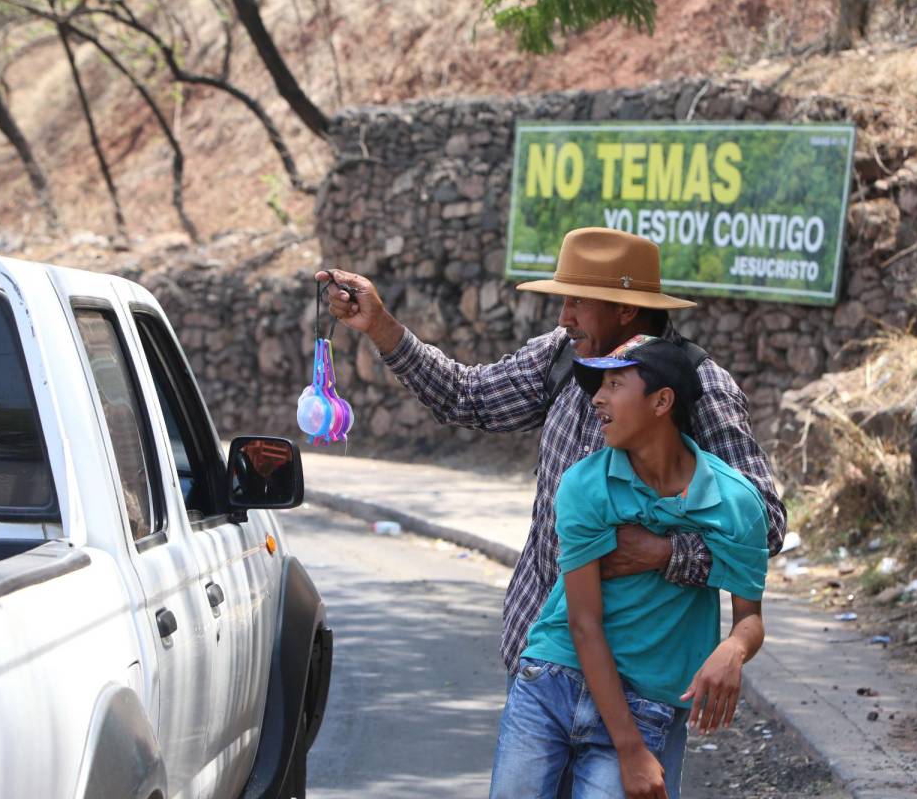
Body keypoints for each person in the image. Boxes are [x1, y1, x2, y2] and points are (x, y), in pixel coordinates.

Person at [316, 227, 786, 786]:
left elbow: (764, 524)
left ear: (626, 310)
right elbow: (468, 396)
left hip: (641, 684)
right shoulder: (562, 358)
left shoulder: (697, 388)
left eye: (576, 301)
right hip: (544, 665)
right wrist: (380, 326)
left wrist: (666, 552)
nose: (563, 316)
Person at [488, 335, 767, 799]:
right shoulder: (586, 484)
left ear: (661, 401)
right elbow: (582, 622)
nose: (597, 397)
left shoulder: (736, 502)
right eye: (599, 384)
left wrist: (734, 650)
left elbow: (750, 618)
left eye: (614, 383)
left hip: (647, 701)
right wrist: (630, 750)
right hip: (551, 684)